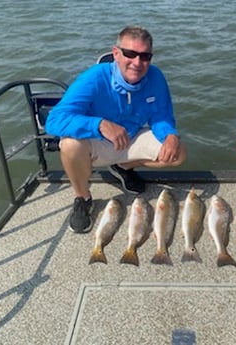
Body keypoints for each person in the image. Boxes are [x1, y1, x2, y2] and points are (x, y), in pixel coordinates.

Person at [46, 26, 187, 233]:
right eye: (130, 54)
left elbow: (161, 116)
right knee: (69, 144)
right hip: (97, 142)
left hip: (129, 139)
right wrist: (99, 124)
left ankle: (123, 167)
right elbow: (54, 120)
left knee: (178, 152)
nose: (137, 62)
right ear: (116, 54)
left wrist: (170, 135)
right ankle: (83, 198)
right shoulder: (93, 78)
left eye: (145, 56)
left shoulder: (155, 77)